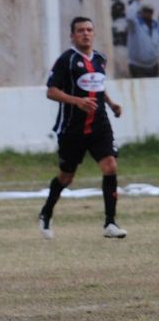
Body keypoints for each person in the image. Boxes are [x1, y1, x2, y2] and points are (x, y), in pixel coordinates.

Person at [39, 17, 126, 240]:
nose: (85, 34)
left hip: (100, 125)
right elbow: (51, 91)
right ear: (72, 35)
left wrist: (111, 103)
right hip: (72, 128)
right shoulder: (66, 60)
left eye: (89, 30)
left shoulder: (100, 59)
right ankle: (46, 213)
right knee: (66, 177)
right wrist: (77, 101)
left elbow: (97, 85)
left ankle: (110, 223)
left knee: (110, 166)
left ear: (93, 33)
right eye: (80, 31)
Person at [126, 0, 159, 78]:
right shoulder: (134, 24)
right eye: (146, 11)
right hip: (137, 67)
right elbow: (129, 16)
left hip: (153, 66)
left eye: (150, 11)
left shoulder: (156, 26)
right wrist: (136, 0)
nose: (148, 13)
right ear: (141, 12)